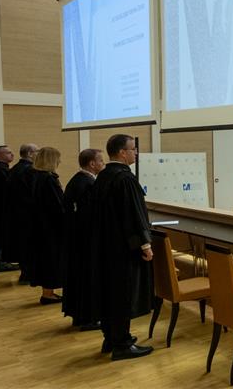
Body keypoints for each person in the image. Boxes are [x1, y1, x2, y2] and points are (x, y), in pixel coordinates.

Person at [91, 134, 154, 360]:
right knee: (123, 294)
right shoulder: (124, 179)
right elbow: (134, 215)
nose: (136, 153)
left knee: (111, 293)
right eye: (133, 149)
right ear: (121, 152)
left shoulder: (104, 176)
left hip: (106, 247)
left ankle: (111, 337)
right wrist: (145, 244)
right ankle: (122, 343)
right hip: (122, 249)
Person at [62, 148, 104, 329]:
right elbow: (90, 215)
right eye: (101, 161)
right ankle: (88, 318)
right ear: (92, 164)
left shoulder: (77, 179)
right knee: (87, 278)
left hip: (75, 238)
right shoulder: (88, 183)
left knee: (78, 278)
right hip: (85, 240)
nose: (104, 164)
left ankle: (80, 315)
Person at [30, 147, 66, 305]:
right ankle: (48, 293)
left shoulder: (36, 176)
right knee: (51, 259)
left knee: (47, 259)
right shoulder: (48, 179)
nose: (60, 161)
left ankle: (48, 291)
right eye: (57, 158)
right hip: (50, 227)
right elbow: (56, 205)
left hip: (41, 225)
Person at [4, 143, 38, 282]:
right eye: (38, 151)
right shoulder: (30, 170)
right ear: (30, 154)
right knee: (29, 246)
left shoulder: (14, 169)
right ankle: (29, 274)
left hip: (16, 213)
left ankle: (25, 273)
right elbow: (33, 194)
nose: (39, 154)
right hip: (27, 214)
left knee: (23, 245)